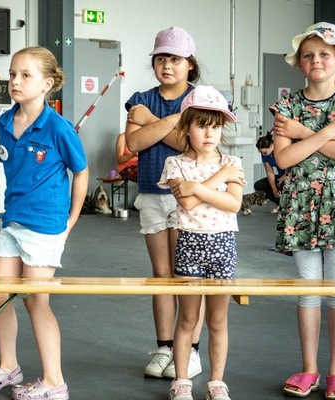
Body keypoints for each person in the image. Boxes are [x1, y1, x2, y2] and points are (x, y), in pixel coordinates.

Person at [271, 22, 335, 400]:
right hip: (300, 202)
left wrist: (303, 133)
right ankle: (309, 368)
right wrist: (328, 133)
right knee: (308, 289)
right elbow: (283, 157)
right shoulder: (286, 104)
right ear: (300, 63)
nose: (316, 60)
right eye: (309, 55)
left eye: (324, 54)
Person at [0, 46, 88, 400]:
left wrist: (71, 219)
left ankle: (54, 381)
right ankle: (8, 366)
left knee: (35, 300)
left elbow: (81, 171)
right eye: (13, 74)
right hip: (13, 220)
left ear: (48, 83)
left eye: (26, 75)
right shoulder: (3, 121)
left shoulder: (58, 128)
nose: (15, 81)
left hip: (45, 223)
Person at [123, 26, 207, 379]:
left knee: (188, 276)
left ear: (189, 64)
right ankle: (165, 347)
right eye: (161, 59)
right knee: (161, 275)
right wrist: (174, 126)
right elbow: (134, 144)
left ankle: (192, 350)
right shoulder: (140, 97)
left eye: (175, 59)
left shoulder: (202, 99)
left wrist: (157, 122)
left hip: (190, 197)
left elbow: (196, 147)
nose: (167, 65)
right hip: (152, 196)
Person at [158, 86, 243, 400]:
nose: (210, 133)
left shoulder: (233, 162)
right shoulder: (175, 164)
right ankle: (181, 381)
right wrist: (217, 179)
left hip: (223, 246)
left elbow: (234, 204)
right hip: (189, 244)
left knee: (218, 319)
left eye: (216, 126)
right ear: (186, 126)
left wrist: (198, 187)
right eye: (202, 125)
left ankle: (216, 382)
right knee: (188, 318)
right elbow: (188, 206)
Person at [253, 132, 283, 213]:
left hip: (290, 176)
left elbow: (292, 168)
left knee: (281, 183)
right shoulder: (265, 156)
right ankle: (280, 204)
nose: (263, 154)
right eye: (261, 153)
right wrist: (274, 190)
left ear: (271, 146)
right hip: (280, 177)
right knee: (259, 185)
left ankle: (288, 205)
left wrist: (282, 179)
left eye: (265, 152)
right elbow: (269, 172)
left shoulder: (280, 150)